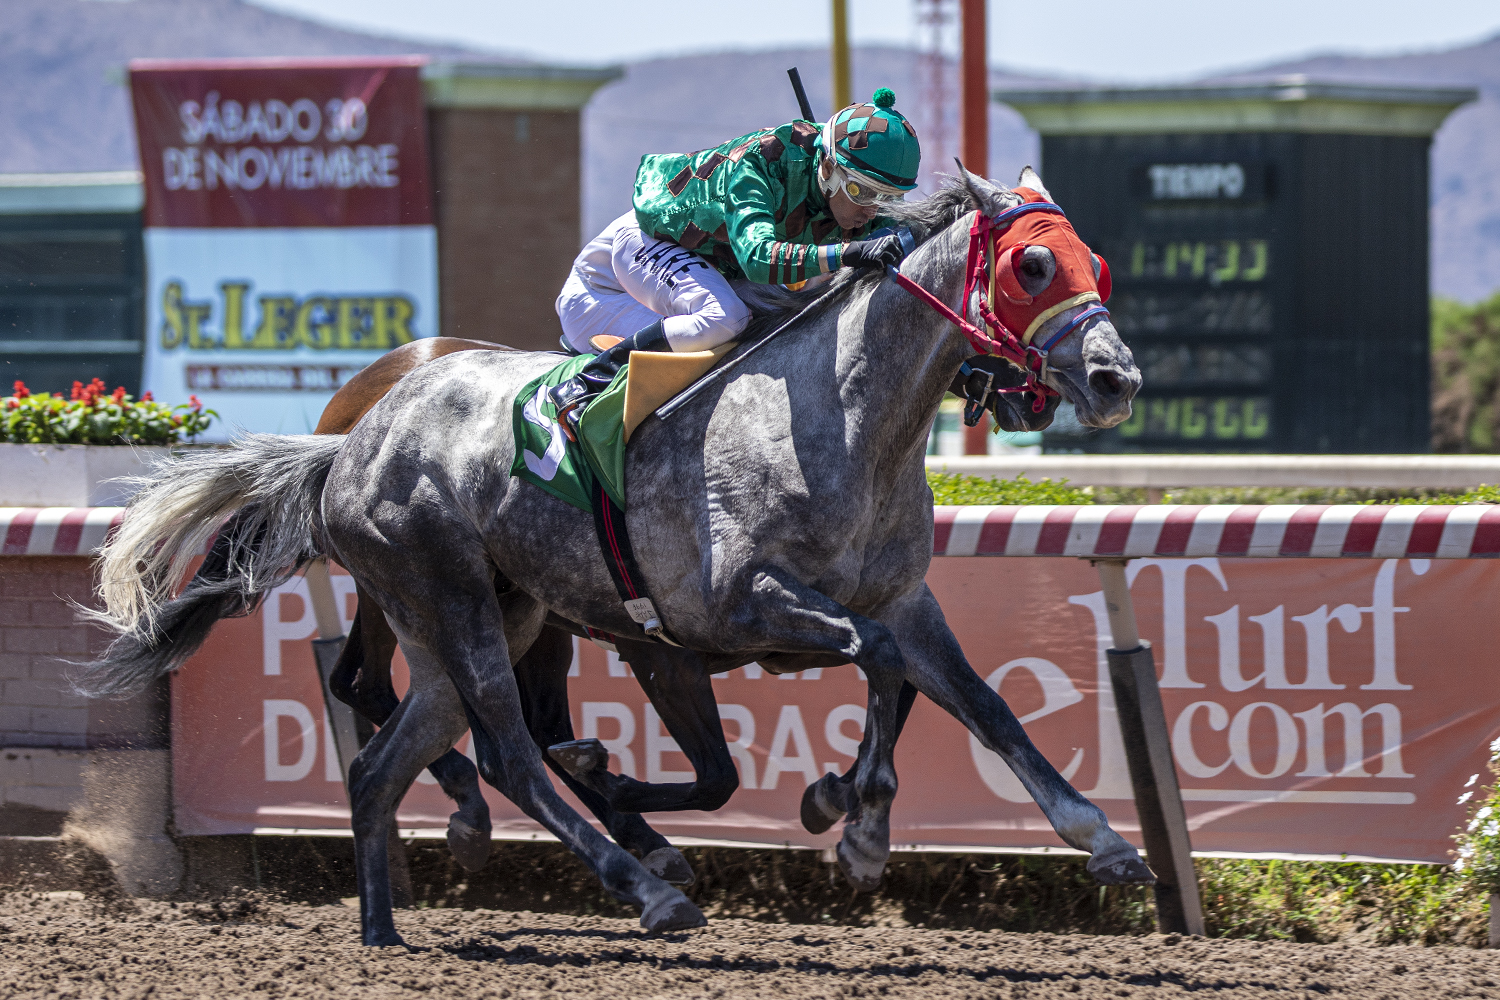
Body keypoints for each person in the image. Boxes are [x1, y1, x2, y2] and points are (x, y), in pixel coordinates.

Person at [549, 87, 923, 433]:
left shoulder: (852, 199)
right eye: (861, 192)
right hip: (616, 274)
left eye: (888, 198)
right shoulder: (760, 161)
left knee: (791, 319)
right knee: (725, 319)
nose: (872, 212)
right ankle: (590, 380)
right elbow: (758, 258)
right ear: (827, 168)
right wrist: (847, 253)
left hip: (705, 268)